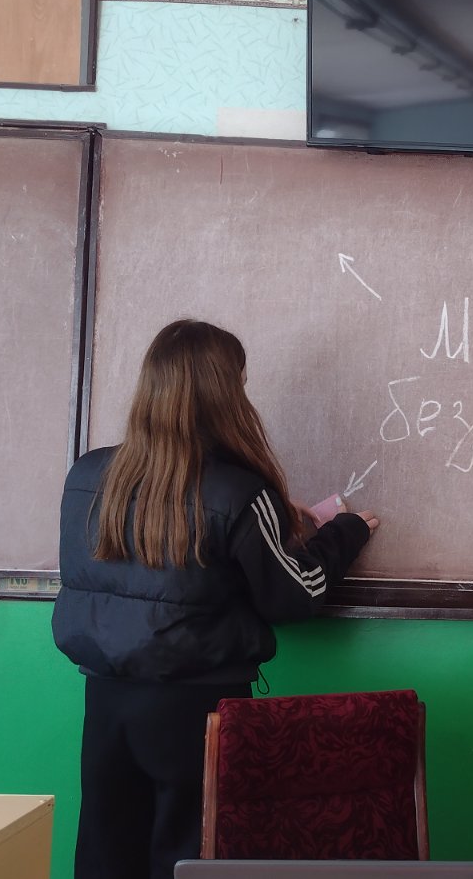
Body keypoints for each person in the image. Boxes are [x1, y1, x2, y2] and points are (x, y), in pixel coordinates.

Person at [52, 319, 379, 878]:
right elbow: (295, 595)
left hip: (106, 703)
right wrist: (343, 533)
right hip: (197, 712)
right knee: (195, 859)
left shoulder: (88, 475)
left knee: (109, 854)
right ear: (224, 394)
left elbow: (160, 531)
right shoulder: (238, 492)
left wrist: (271, 517)